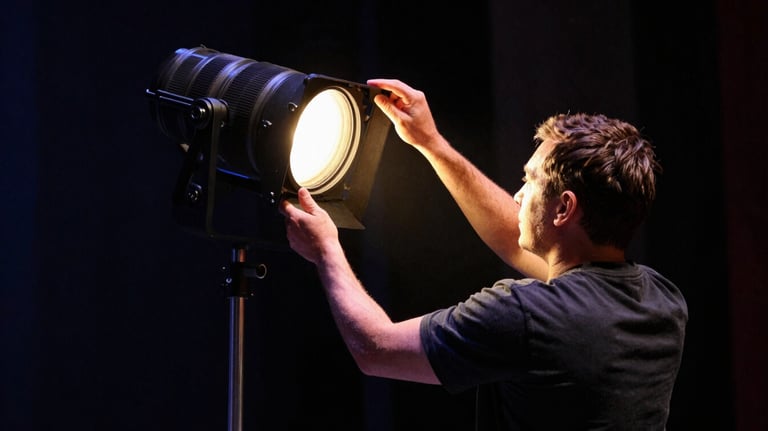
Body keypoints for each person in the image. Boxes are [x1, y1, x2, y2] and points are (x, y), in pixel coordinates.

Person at [279, 79, 688, 430]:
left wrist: (326, 251)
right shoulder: (664, 304)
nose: (518, 195)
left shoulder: (526, 315)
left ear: (563, 208)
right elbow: (517, 238)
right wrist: (431, 143)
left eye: (530, 181)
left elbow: (375, 348)